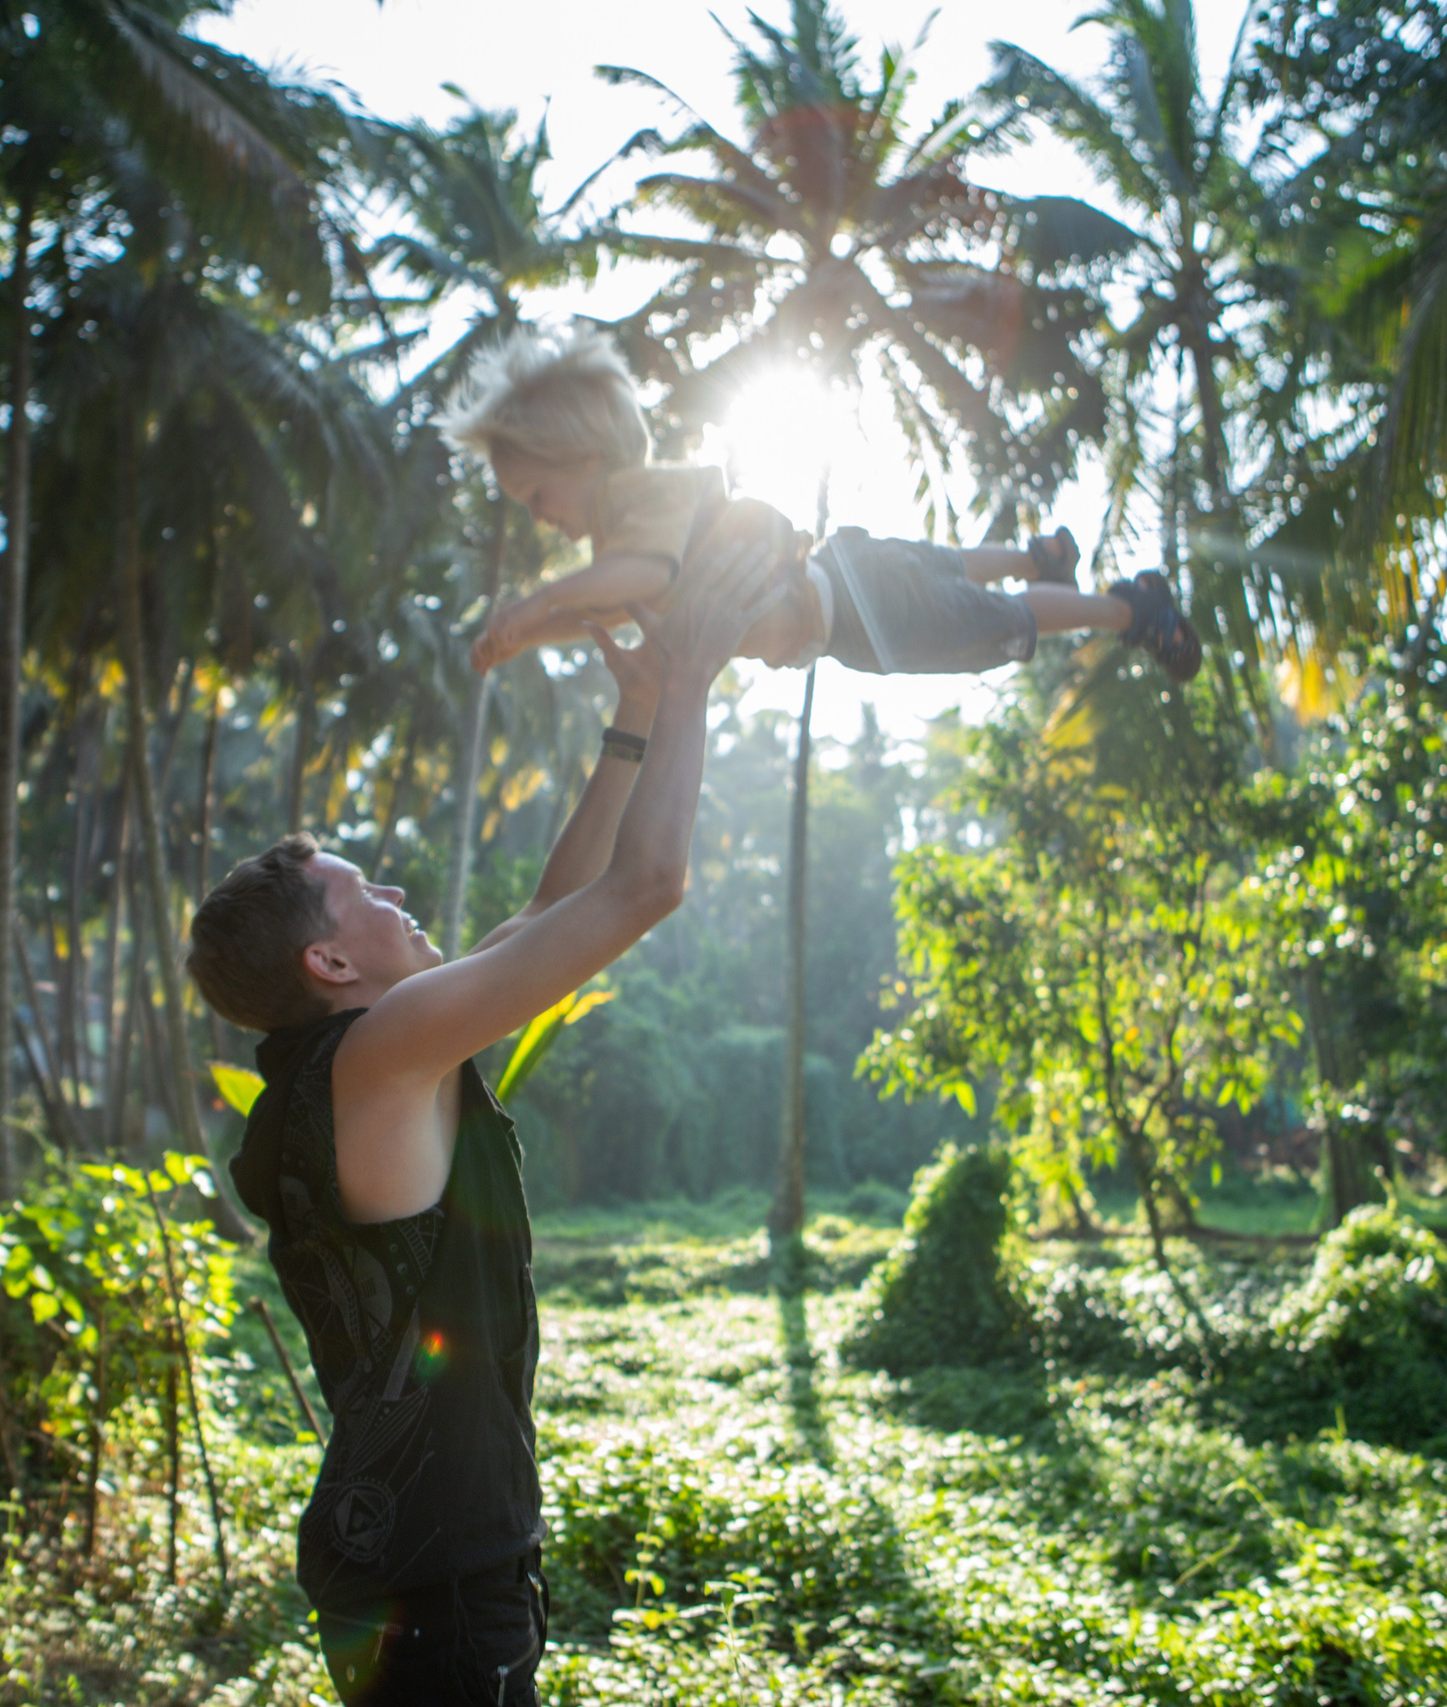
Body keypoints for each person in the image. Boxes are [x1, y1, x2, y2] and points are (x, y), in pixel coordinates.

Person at [185, 515, 792, 1706]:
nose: (395, 890)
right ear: (328, 964)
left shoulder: (338, 1073)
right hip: (445, 1588)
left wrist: (632, 720)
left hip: (398, 1567)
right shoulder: (379, 1057)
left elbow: (537, 922)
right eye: (363, 893)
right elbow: (648, 885)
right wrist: (695, 675)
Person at [442, 326, 1203, 685]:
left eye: (537, 495)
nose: (539, 518)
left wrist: (541, 599)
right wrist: (529, 634)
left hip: (855, 616)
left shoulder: (641, 507)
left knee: (1003, 620)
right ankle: (1038, 558)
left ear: (586, 459)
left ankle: (1129, 611)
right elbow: (607, 613)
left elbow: (639, 579)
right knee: (944, 566)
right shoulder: (624, 540)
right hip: (847, 577)